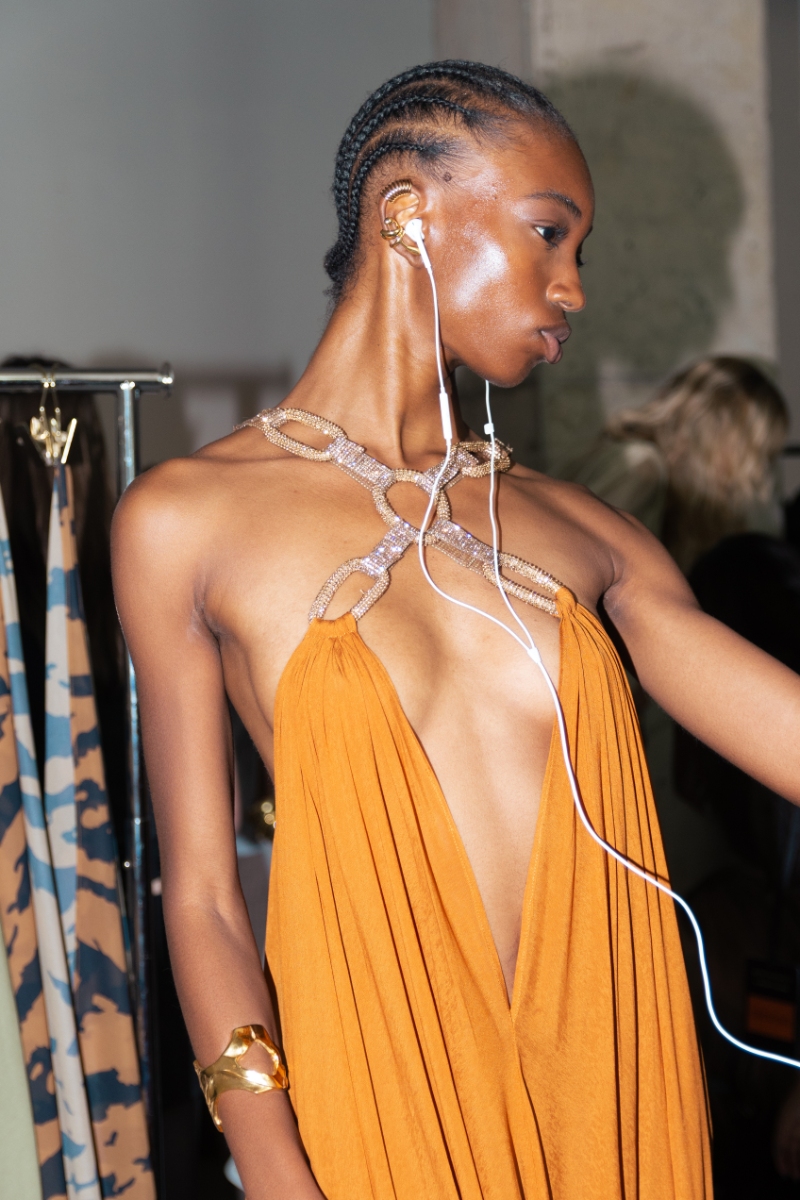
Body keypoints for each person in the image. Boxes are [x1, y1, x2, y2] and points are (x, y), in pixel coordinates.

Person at [111, 61, 800, 1199]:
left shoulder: (591, 536)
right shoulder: (185, 521)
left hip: (613, 1093)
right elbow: (203, 898)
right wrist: (274, 1168)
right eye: (548, 233)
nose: (572, 288)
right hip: (385, 1097)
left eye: (580, 252)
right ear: (406, 213)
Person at [559, 355, 788, 568]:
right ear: (722, 436)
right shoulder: (641, 466)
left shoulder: (674, 488)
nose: (757, 471)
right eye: (756, 453)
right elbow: (578, 564)